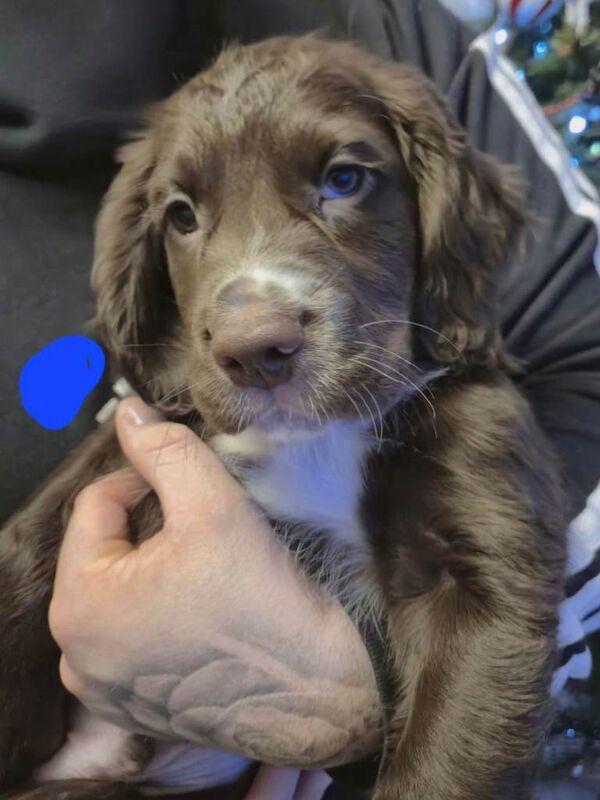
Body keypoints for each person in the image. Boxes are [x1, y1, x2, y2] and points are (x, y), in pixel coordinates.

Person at [2, 1, 600, 798]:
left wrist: (350, 695)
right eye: (185, 218)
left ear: (438, 214)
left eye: (342, 180)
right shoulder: (164, 415)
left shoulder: (389, 31)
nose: (250, 322)